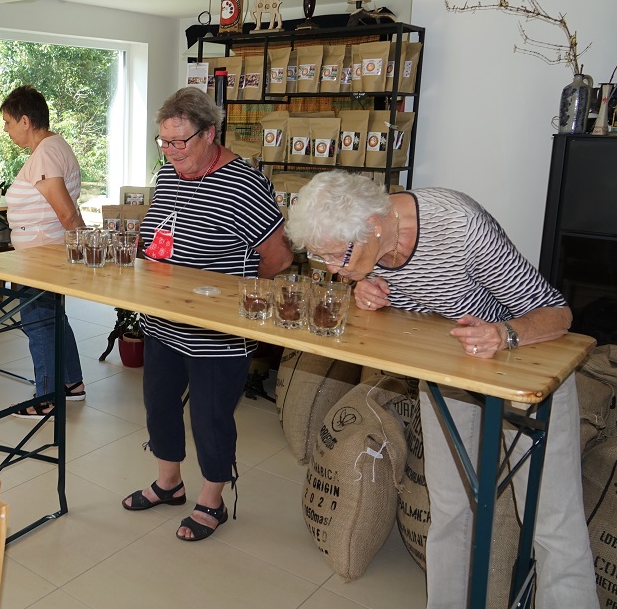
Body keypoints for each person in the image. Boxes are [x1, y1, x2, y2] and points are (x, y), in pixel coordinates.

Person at [285, 170, 596, 609]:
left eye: (340, 257)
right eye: (325, 260)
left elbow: (556, 314)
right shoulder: (368, 246)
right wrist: (370, 292)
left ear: (374, 225)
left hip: (525, 368)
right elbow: (417, 303)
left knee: (552, 520)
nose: (335, 270)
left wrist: (503, 334)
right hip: (451, 371)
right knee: (450, 510)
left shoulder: (459, 227)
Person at [123, 87, 293, 541]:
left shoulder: (244, 182)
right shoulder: (169, 173)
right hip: (163, 320)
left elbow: (278, 257)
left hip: (217, 332)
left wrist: (224, 294)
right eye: (165, 141)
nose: (173, 151)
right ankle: (169, 482)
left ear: (210, 134)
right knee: (158, 404)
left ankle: (211, 501)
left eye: (182, 141)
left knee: (210, 417)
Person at [0, 85, 87, 418]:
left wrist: (86, 254)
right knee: (53, 319)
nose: (6, 130)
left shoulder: (46, 153)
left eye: (8, 122)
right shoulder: (55, 146)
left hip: (39, 256)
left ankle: (47, 396)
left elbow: (66, 213)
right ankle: (71, 384)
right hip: (46, 252)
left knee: (38, 323)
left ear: (25, 120)